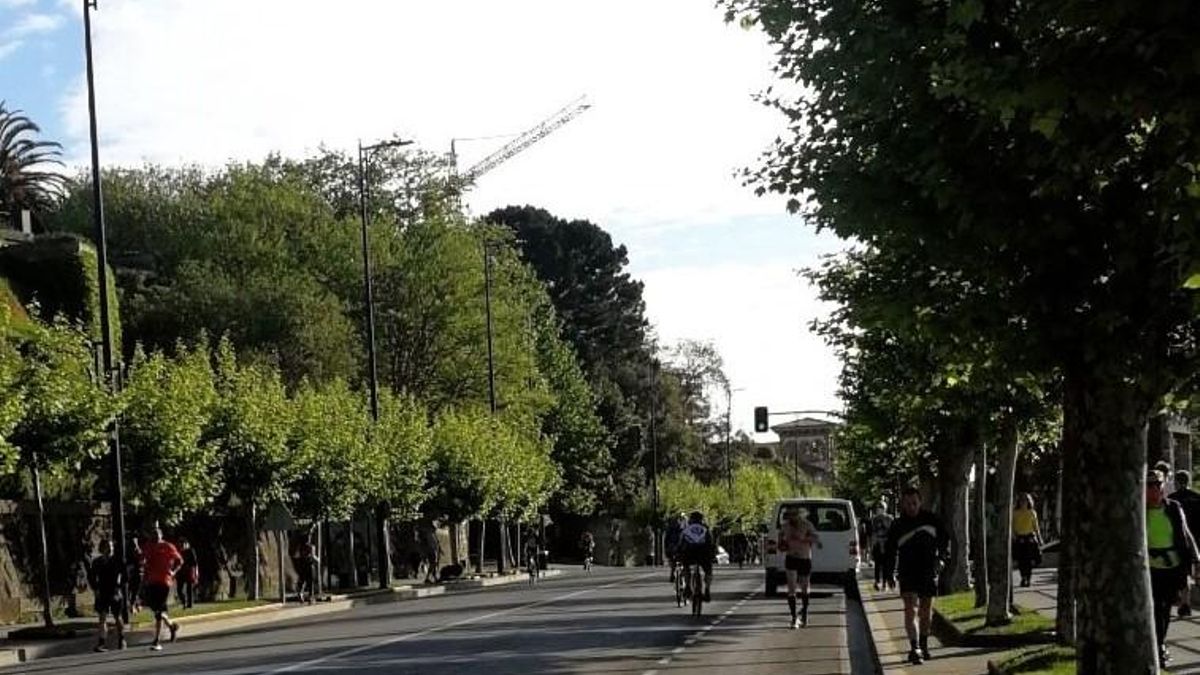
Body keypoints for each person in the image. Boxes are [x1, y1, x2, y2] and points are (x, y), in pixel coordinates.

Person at [884, 486, 950, 666]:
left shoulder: (931, 519)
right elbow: (889, 551)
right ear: (902, 505)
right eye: (907, 504)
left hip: (928, 570)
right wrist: (888, 574)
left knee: (926, 611)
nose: (911, 507)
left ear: (920, 502)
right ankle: (914, 648)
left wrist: (942, 558)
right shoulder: (897, 525)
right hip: (907, 571)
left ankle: (924, 643)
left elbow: (945, 540)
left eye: (914, 503)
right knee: (910, 609)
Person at [1146, 470, 1199, 669]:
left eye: (1157, 485)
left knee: (1165, 608)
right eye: (1150, 485)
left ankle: (1159, 643)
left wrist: (1196, 560)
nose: (1154, 489)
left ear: (1164, 486)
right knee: (1154, 608)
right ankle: (1156, 644)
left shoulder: (1174, 508)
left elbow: (1186, 534)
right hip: (1149, 568)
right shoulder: (1140, 511)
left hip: (1172, 566)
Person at [142, 527, 183, 651]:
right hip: (151, 581)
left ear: (161, 535)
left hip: (164, 581)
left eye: (157, 534)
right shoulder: (149, 546)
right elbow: (144, 561)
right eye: (153, 534)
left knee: (159, 613)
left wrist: (173, 571)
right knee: (156, 610)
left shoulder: (167, 546)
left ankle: (157, 641)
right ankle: (171, 626)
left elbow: (180, 561)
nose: (155, 536)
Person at [779, 506, 821, 628]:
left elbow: (817, 539)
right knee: (791, 588)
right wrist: (782, 545)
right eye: (789, 516)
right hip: (791, 557)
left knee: (805, 587)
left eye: (794, 515)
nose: (791, 518)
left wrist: (804, 538)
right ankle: (793, 618)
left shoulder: (807, 525)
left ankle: (805, 614)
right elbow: (780, 539)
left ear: (798, 515)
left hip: (804, 558)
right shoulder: (785, 526)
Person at [1169, 469, 1200, 617]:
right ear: (1188, 481)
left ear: (1176, 481)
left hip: (1178, 540)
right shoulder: (1197, 497)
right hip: (1196, 538)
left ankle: (1184, 602)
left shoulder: (1172, 499)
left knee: (1182, 571)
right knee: (1194, 568)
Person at [88, 539, 126, 652]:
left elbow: (125, 576)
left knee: (117, 616)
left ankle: (122, 638)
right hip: (102, 591)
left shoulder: (118, 560)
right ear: (102, 549)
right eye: (108, 547)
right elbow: (91, 577)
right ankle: (102, 643)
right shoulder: (97, 562)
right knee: (102, 617)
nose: (110, 549)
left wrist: (119, 588)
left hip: (115, 591)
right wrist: (95, 589)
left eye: (111, 547)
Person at [676, 511, 715, 602]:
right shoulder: (705, 529)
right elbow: (711, 543)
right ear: (701, 520)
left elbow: (681, 543)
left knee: (686, 568)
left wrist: (678, 552)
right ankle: (707, 590)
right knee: (708, 570)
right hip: (703, 553)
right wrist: (712, 554)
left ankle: (688, 586)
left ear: (691, 520)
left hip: (689, 553)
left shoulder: (687, 529)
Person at [1011, 494, 1043, 588]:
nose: (1023, 503)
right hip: (1020, 538)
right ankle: (1023, 577)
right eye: (1021, 501)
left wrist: (1039, 538)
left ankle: (1028, 579)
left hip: (1029, 538)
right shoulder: (1015, 512)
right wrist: (1014, 536)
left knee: (1029, 561)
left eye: (1025, 501)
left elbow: (1036, 527)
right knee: (1021, 561)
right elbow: (1012, 525)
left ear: (1029, 502)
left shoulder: (1032, 512)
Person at [868, 503, 894, 591]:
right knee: (877, 564)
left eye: (881, 508)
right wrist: (872, 546)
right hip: (878, 543)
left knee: (886, 565)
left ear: (885, 508)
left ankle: (884, 583)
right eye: (878, 508)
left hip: (887, 544)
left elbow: (892, 532)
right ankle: (877, 581)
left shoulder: (889, 518)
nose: (879, 510)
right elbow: (873, 533)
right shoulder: (874, 519)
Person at [296, 533, 320, 603]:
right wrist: (318, 560)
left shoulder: (301, 547)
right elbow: (313, 556)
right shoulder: (311, 547)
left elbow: (300, 555)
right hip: (310, 565)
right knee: (310, 582)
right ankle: (310, 597)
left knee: (303, 580)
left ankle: (301, 593)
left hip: (303, 565)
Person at [176, 537, 198, 609]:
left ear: (186, 544)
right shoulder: (178, 552)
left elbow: (195, 563)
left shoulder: (191, 551)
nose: (181, 546)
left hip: (189, 571)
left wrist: (196, 572)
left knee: (189, 588)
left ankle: (190, 604)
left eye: (182, 544)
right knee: (179, 589)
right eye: (180, 545)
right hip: (180, 572)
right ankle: (184, 601)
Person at [664, 514, 686, 582]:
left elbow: (666, 540)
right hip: (677, 548)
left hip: (672, 547)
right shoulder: (682, 529)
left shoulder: (669, 529)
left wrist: (666, 548)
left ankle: (673, 572)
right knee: (682, 560)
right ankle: (679, 572)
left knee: (673, 560)